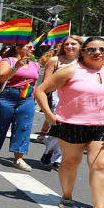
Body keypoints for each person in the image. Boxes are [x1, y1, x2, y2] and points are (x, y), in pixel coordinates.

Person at [36, 36, 104, 208]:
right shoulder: (70, 71)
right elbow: (40, 90)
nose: (98, 53)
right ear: (83, 52)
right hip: (72, 124)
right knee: (70, 163)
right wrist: (49, 115)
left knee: (101, 166)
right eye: (92, 49)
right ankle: (67, 196)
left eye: (103, 49)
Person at [0, 41, 38, 171]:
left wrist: (33, 97)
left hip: (26, 98)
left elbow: (34, 82)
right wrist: (16, 67)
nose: (32, 49)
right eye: (29, 47)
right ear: (18, 49)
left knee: (24, 126)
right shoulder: (7, 61)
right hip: (7, 96)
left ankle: (19, 158)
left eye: (33, 47)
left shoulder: (34, 64)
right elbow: (2, 78)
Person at [38, 35, 82, 169]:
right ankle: (53, 152)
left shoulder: (85, 61)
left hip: (76, 98)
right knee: (57, 126)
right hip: (57, 96)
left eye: (73, 44)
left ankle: (56, 156)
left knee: (70, 128)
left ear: (81, 46)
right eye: (66, 44)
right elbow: (46, 84)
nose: (69, 47)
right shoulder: (55, 60)